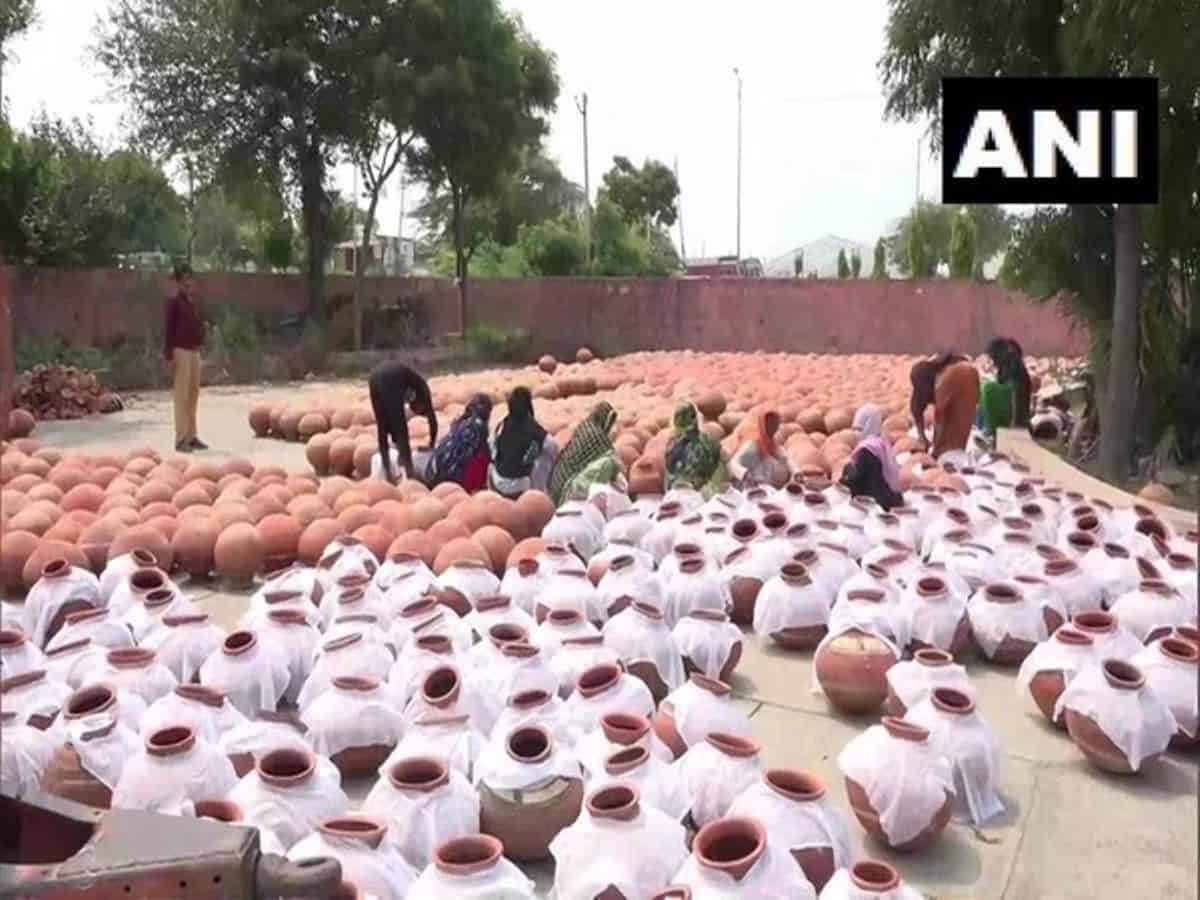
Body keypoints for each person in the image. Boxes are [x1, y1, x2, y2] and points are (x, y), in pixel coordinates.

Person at [368, 360, 438, 483]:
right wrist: (431, 444)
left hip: (374, 377)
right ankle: (409, 472)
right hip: (390, 377)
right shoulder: (423, 388)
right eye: (419, 410)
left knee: (382, 424)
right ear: (420, 402)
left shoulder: (411, 385)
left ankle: (387, 469)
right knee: (400, 428)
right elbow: (432, 420)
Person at [163, 263, 207, 452]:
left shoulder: (191, 302)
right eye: (185, 279)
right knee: (181, 396)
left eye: (191, 278)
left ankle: (191, 435)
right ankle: (181, 439)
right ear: (179, 282)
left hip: (194, 351)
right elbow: (168, 331)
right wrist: (168, 356)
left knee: (193, 395)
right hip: (180, 351)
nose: (189, 282)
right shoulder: (174, 303)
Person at [489, 386, 556, 498]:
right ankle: (539, 494)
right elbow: (553, 447)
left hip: (498, 481)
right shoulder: (533, 428)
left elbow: (492, 447)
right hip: (521, 484)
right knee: (545, 457)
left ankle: (493, 494)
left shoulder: (502, 424)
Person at [909, 351, 979, 458]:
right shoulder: (958, 371)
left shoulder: (946, 380)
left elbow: (940, 419)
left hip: (950, 452)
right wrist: (922, 436)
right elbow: (917, 409)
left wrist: (935, 453)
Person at [548, 401, 618, 505]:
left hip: (557, 475)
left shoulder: (585, 425)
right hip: (568, 482)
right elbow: (612, 459)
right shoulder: (597, 436)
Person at [426, 393, 493, 492]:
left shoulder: (458, 423)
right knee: (483, 457)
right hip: (453, 479)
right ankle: (474, 487)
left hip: (433, 474)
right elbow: (487, 456)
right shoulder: (480, 428)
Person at [841, 404, 904, 510]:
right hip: (890, 495)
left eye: (860, 428)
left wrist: (840, 483)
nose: (856, 433)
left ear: (869, 426)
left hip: (876, 502)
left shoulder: (867, 449)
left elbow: (856, 479)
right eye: (855, 428)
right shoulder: (881, 443)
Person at [664, 402, 729, 498]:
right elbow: (725, 458)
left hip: (675, 493)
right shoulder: (707, 441)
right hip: (702, 494)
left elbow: (668, 474)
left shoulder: (671, 444)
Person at [729, 408, 791, 488]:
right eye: (770, 424)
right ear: (763, 425)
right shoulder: (751, 444)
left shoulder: (771, 442)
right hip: (742, 482)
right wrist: (745, 474)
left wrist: (796, 472)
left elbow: (786, 457)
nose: (774, 428)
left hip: (760, 482)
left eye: (775, 424)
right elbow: (732, 464)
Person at [985, 337, 1032, 428]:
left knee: (989, 388)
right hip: (1013, 412)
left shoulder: (1013, 367)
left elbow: (1015, 393)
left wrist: (1014, 423)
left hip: (1015, 416)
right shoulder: (1005, 367)